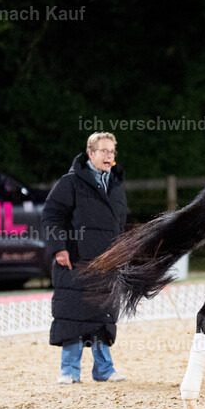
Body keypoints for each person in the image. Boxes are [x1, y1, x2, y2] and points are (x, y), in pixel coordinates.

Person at [42, 132, 129, 383]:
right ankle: (69, 371)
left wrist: (124, 252)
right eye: (103, 151)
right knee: (73, 313)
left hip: (107, 261)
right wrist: (58, 247)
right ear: (90, 153)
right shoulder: (70, 183)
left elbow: (120, 224)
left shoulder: (115, 185)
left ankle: (104, 369)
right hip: (75, 260)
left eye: (112, 151)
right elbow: (50, 215)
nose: (108, 156)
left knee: (103, 313)